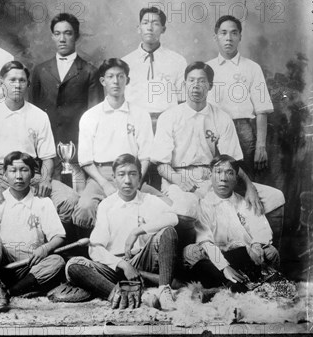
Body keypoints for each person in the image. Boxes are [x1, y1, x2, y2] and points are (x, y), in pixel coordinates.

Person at [150, 61, 285, 219]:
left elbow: (231, 162)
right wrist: (179, 180)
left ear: (210, 86)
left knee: (274, 197)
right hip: (176, 179)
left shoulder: (221, 117)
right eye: (191, 80)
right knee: (189, 206)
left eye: (201, 81)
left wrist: (249, 185)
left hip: (212, 178)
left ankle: (260, 243)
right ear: (184, 84)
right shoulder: (169, 117)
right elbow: (161, 165)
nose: (196, 85)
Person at [0, 61, 79, 230]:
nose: (17, 85)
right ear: (2, 83)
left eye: (22, 81)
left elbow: (48, 158)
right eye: (12, 80)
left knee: (69, 199)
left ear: (28, 84)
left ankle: (49, 244)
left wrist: (45, 179)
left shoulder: (39, 116)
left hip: (32, 174)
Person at [65, 154, 179, 310]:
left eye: (133, 174)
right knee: (74, 265)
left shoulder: (148, 200)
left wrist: (138, 231)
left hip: (141, 260)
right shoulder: (107, 205)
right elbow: (95, 248)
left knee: (168, 231)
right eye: (121, 174)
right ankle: (120, 293)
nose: (127, 180)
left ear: (139, 177)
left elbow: (173, 217)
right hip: (114, 267)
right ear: (114, 178)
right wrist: (123, 265)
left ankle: (164, 291)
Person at [73, 58, 169, 235]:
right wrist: (106, 185)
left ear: (127, 80)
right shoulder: (90, 116)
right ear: (103, 81)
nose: (116, 81)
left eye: (120, 76)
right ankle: (96, 251)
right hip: (102, 176)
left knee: (168, 208)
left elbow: (145, 156)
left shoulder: (140, 114)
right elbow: (85, 160)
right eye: (110, 76)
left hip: (132, 174)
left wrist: (136, 180)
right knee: (85, 207)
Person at [0, 152, 66, 312]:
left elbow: (59, 236)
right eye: (13, 171)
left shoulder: (43, 202)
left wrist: (45, 248)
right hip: (2, 266)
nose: (19, 176)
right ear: (5, 175)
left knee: (57, 261)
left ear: (33, 174)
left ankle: (6, 293)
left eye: (24, 170)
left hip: (30, 265)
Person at [183, 155, 280, 291]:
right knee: (190, 253)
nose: (223, 178)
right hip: (218, 254)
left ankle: (237, 286)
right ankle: (231, 284)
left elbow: (261, 227)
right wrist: (224, 267)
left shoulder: (244, 202)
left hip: (245, 254)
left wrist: (256, 245)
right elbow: (205, 240)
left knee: (271, 253)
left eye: (229, 173)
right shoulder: (204, 203)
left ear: (235, 179)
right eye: (218, 172)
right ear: (211, 176)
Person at [30, 13, 103, 190]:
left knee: (76, 197)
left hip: (77, 149)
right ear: (52, 36)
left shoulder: (89, 71)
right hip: (46, 150)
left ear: (76, 36)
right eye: (57, 33)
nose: (62, 38)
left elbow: (94, 117)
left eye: (68, 33)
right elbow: (33, 113)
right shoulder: (40, 70)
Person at [206, 15, 274, 178]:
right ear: (216, 37)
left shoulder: (252, 67)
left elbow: (261, 109)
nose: (228, 38)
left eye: (233, 33)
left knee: (245, 180)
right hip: (214, 130)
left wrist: (261, 146)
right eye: (223, 33)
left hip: (243, 131)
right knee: (217, 180)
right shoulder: (207, 68)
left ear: (240, 37)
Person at [122, 6, 187, 130]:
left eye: (155, 24)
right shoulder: (125, 62)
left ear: (163, 29)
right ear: (138, 28)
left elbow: (182, 101)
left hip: (168, 125)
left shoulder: (177, 61)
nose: (150, 28)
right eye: (145, 23)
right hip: (134, 125)